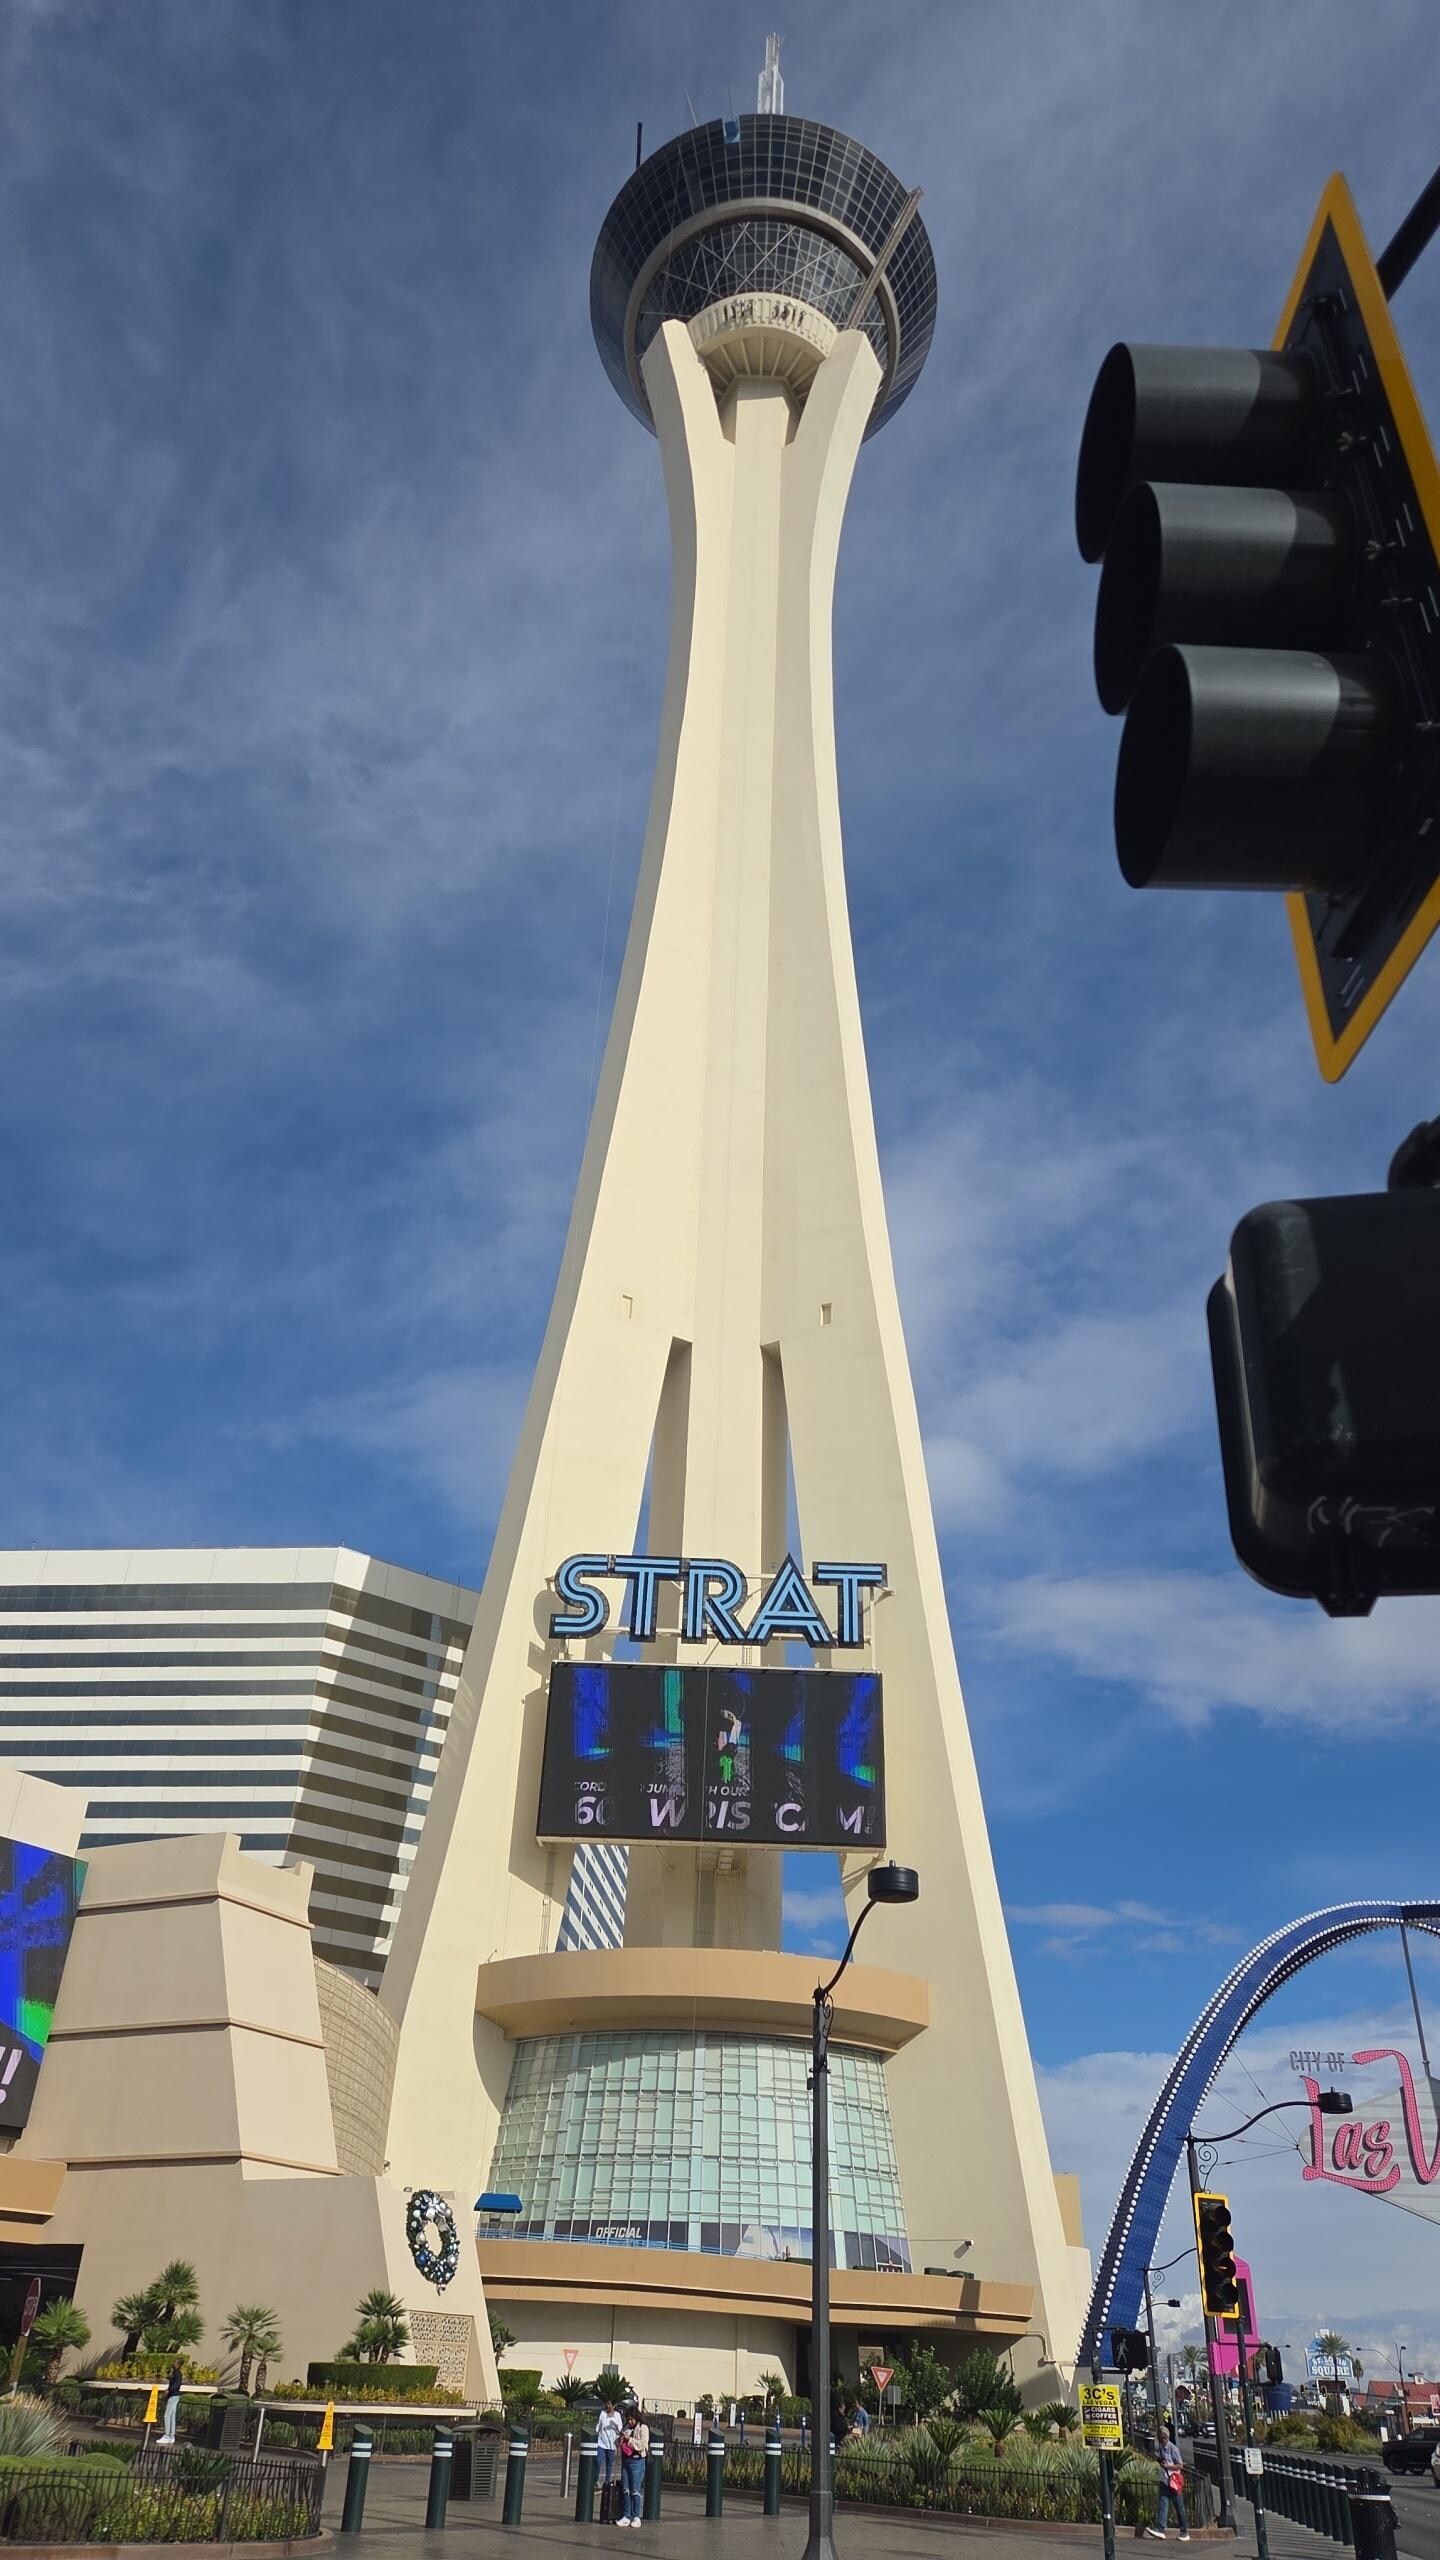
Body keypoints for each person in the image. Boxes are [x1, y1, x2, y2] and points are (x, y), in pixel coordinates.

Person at [1145, 2429, 1190, 2541]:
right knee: (1163, 2505)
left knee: (1179, 2507)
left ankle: (1184, 2531)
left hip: (1173, 2482)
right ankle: (1160, 2529)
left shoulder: (1173, 2449)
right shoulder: (1161, 2448)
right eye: (1159, 2438)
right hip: (1164, 2481)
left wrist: (1168, 2466)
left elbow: (1180, 2465)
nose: (1161, 2440)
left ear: (1166, 2437)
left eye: (1162, 2438)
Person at [619, 2404, 650, 2527]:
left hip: (637, 2461)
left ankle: (636, 2516)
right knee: (625, 2489)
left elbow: (643, 2444)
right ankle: (626, 2515)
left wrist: (630, 2440)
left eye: (632, 2419)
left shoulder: (643, 2428)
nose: (630, 2422)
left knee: (635, 2490)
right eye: (628, 2419)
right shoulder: (627, 2427)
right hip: (626, 2459)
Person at [597, 2399, 622, 2519]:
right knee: (598, 2460)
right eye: (606, 2404)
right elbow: (599, 2426)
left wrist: (615, 2427)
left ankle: (606, 2482)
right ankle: (595, 2480)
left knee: (609, 2464)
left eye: (610, 2404)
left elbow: (620, 2430)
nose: (608, 2406)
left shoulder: (617, 2416)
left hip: (611, 2444)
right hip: (601, 2442)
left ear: (614, 2405)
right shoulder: (602, 2414)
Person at [159, 2360, 184, 2448]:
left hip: (173, 2396)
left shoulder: (177, 2373)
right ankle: (171, 2436)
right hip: (174, 2396)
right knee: (172, 2416)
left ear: (178, 2364)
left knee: (167, 2415)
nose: (172, 2363)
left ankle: (166, 2435)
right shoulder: (176, 2373)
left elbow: (177, 2384)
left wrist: (168, 2390)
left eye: (174, 2362)